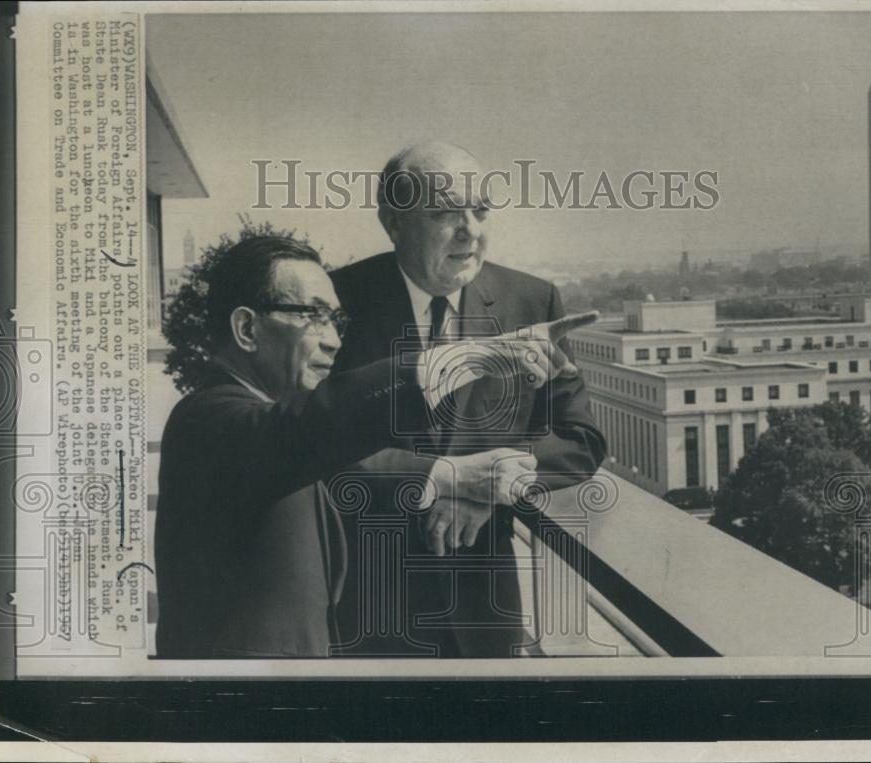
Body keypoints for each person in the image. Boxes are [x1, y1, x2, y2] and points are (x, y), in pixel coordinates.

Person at [154, 234, 589, 658]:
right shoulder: (208, 421)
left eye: (335, 320)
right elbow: (323, 421)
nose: (334, 340)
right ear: (247, 328)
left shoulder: (260, 426)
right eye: (313, 315)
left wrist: (465, 483)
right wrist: (476, 357)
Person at [331, 142, 607, 657]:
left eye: (480, 210)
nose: (471, 231)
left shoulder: (534, 301)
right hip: (364, 610)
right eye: (444, 213)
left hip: (485, 610)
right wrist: (445, 479)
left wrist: (499, 478)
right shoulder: (335, 303)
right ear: (393, 223)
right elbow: (314, 444)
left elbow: (581, 440)